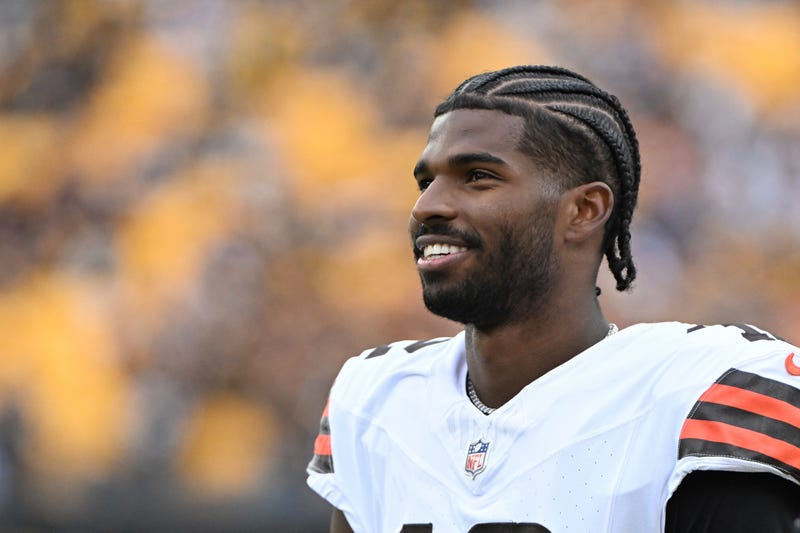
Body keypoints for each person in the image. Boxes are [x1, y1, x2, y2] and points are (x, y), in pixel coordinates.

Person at [306, 65, 800, 532]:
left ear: (584, 209)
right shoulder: (376, 399)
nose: (427, 206)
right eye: (425, 181)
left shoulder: (695, 394)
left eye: (477, 176)